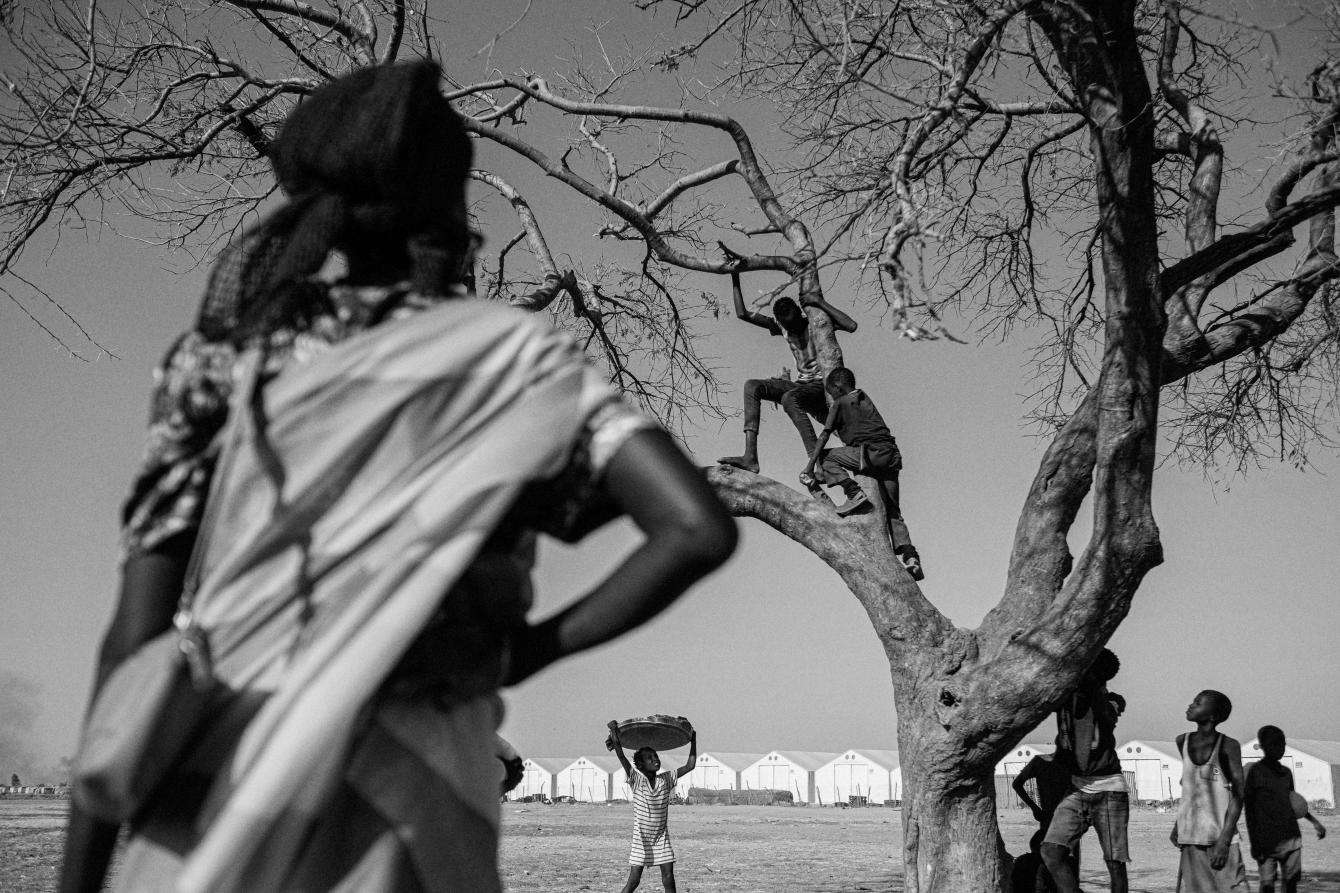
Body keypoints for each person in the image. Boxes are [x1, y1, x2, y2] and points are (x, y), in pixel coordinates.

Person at [59, 60, 737, 893]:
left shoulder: (228, 356)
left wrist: (80, 875)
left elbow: (135, 637)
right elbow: (697, 529)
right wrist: (518, 652)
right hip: (426, 791)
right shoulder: (517, 364)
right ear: (450, 204)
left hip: (221, 790)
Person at [716, 244, 858, 474]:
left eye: (793, 323)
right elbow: (742, 314)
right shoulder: (782, 327)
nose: (790, 329)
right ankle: (750, 456)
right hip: (801, 386)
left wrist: (819, 303)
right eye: (786, 325)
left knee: (791, 398)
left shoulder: (815, 323)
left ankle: (816, 461)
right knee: (752, 386)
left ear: (800, 315)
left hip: (820, 387)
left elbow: (851, 325)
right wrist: (735, 276)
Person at [799, 367, 923, 579]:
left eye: (831, 392)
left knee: (826, 457)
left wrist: (810, 466)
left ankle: (853, 491)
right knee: (893, 510)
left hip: (870, 454)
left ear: (837, 388)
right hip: (891, 456)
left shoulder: (841, 402)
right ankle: (911, 557)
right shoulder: (864, 398)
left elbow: (825, 435)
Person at [1042, 648, 1129, 893]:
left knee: (1115, 862)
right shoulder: (1067, 697)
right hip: (1078, 788)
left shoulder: (1103, 702)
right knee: (1051, 851)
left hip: (1108, 789)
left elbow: (1105, 711)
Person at [1171, 690, 1248, 893]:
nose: (1191, 705)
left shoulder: (1229, 746)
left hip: (1221, 836)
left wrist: (1224, 839)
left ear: (1212, 716)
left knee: (1232, 888)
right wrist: (1178, 825)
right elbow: (1192, 790)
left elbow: (1239, 795)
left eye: (1198, 703)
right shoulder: (1182, 741)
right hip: (1190, 836)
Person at [609, 723, 697, 893]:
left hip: (661, 836)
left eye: (655, 756)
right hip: (641, 838)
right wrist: (613, 732)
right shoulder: (636, 780)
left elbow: (690, 765)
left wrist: (693, 739)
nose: (655, 759)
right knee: (634, 881)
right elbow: (621, 756)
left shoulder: (667, 778)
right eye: (649, 758)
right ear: (640, 765)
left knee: (669, 878)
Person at [1242, 725, 1325, 893]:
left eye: (1282, 744)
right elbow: (1249, 810)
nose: (1280, 748)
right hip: (1266, 842)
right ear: (1263, 746)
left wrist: (1315, 822)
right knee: (1267, 885)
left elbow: (1293, 802)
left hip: (1291, 838)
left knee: (1291, 883)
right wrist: (1255, 843)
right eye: (1275, 744)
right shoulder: (1255, 773)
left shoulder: (1286, 773)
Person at [1013, 748, 1080, 891]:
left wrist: (1035, 808)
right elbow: (1017, 784)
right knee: (1058, 862)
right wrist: (1034, 808)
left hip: (1061, 822)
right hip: (1058, 823)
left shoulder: (1069, 764)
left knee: (1062, 862)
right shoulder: (1042, 762)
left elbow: (1017, 784)